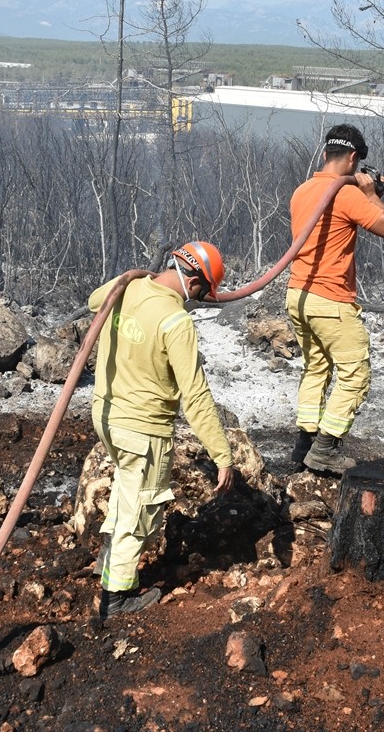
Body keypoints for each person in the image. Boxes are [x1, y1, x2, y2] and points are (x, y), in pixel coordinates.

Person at [88, 241, 235, 620]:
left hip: (107, 417)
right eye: (204, 294)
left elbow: (94, 300)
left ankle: (111, 561)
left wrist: (133, 277)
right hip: (143, 429)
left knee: (126, 491)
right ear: (197, 282)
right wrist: (222, 455)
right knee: (141, 513)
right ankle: (117, 598)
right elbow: (197, 396)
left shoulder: (130, 288)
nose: (199, 301)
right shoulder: (176, 321)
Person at [286, 124, 384, 474]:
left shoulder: (303, 190)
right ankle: (325, 450)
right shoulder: (346, 193)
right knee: (355, 373)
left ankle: (304, 445)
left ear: (325, 154)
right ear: (353, 158)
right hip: (330, 300)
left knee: (317, 366)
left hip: (298, 296)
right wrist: (371, 193)